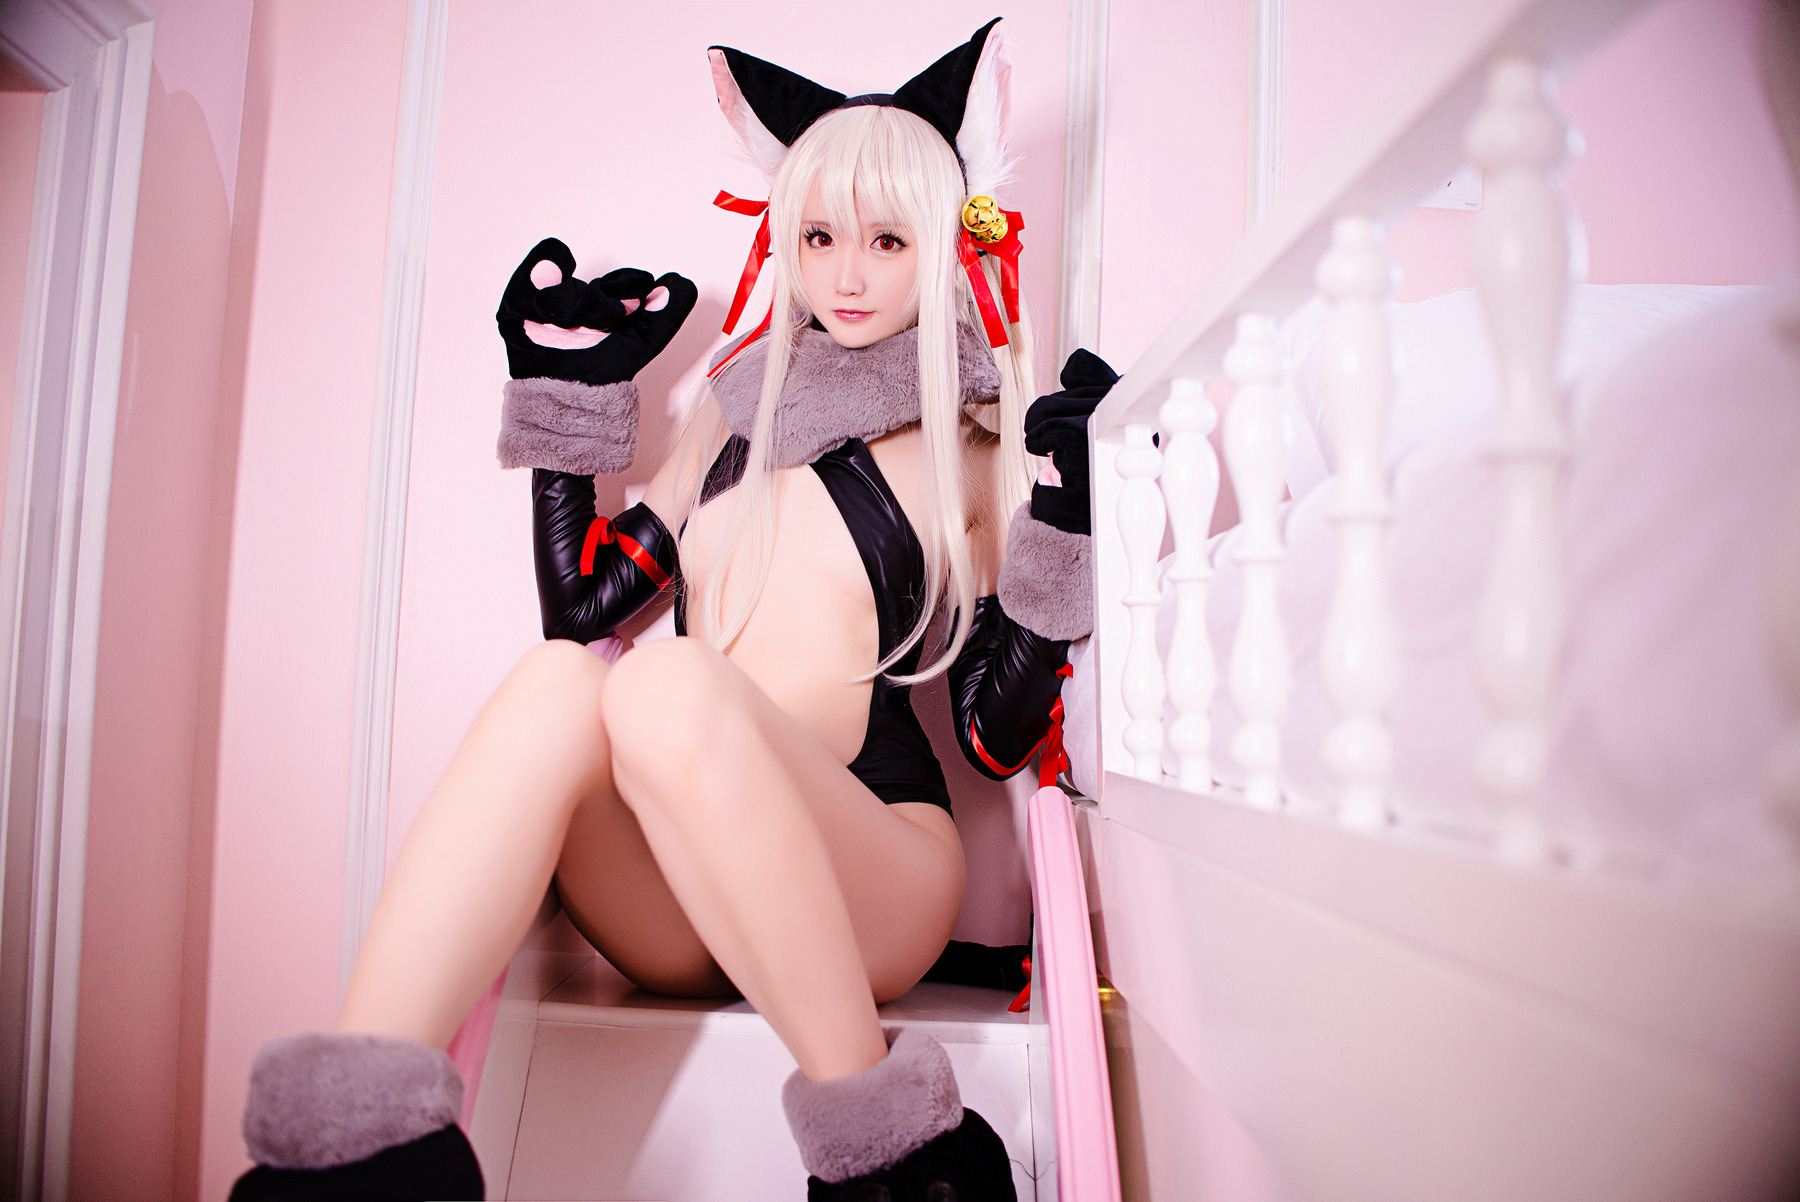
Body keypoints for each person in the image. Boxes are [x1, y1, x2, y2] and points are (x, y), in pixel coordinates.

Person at [228, 20, 1113, 1202]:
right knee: (565, 679)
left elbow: (993, 733)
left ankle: (891, 1157)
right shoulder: (731, 419)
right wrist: (570, 398)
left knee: (662, 680)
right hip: (687, 894)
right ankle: (348, 1154)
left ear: (942, 242)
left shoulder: (972, 440)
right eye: (819, 237)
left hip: (875, 873)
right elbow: (582, 609)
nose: (847, 276)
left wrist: (1064, 520)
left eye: (887, 240)